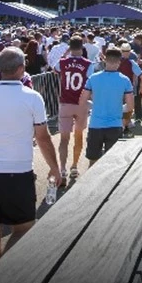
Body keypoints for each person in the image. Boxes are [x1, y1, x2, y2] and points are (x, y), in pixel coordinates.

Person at [0, 47, 59, 270]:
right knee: (23, 229)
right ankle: (5, 280)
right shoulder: (32, 97)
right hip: (17, 170)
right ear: (22, 68)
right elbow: (43, 137)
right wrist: (55, 167)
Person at [83, 48, 134, 165]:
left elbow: (83, 101)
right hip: (115, 125)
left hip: (95, 124)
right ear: (119, 62)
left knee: (93, 160)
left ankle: (91, 183)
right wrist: (118, 108)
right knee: (112, 162)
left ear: (104, 60)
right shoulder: (125, 80)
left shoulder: (93, 78)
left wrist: (95, 106)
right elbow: (130, 106)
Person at [56, 37, 93, 184]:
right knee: (78, 136)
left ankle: (62, 169)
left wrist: (65, 53)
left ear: (70, 47)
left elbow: (55, 69)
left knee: (64, 139)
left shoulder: (63, 62)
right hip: (81, 103)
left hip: (65, 102)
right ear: (82, 47)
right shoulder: (88, 64)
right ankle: (74, 166)